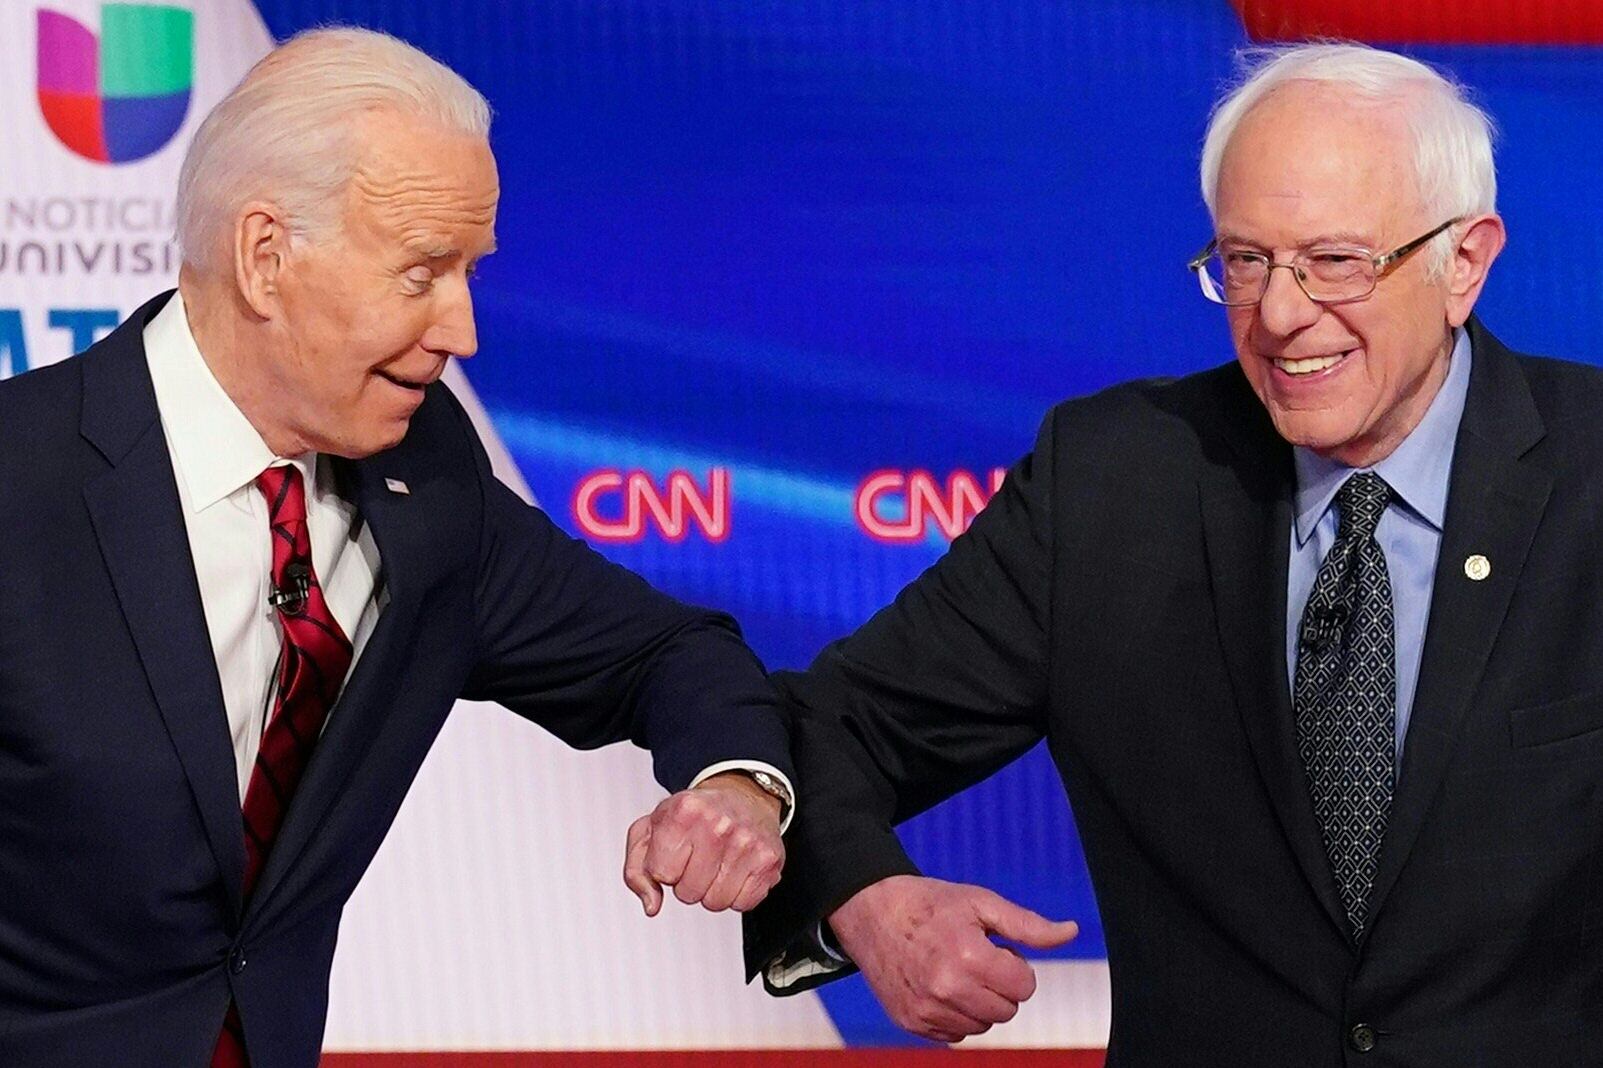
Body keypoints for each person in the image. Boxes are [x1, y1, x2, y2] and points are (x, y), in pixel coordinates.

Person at [748, 42, 1602, 1066]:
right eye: (1244, 262)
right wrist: (865, 899)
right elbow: (828, 727)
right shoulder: (1110, 483)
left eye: (1333, 262)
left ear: (1463, 261)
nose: (1279, 315)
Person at [0, 28, 795, 1068]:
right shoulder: (22, 481)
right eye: (421, 272)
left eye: (469, 272)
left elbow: (663, 652)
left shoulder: (427, 479)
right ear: (266, 258)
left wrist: (735, 788)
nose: (462, 331)